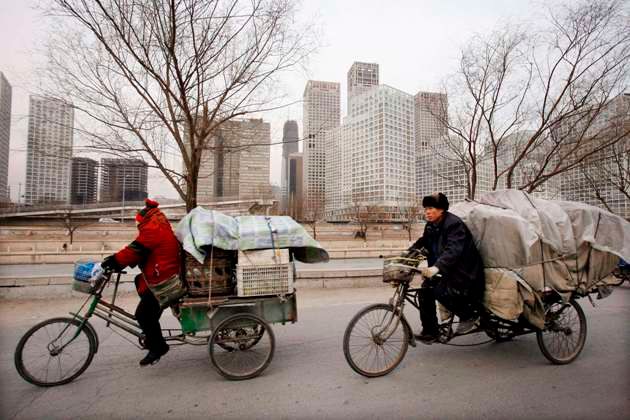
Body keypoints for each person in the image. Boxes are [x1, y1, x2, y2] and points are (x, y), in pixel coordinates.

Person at [101, 198, 181, 366]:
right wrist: (119, 261)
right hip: (160, 274)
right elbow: (140, 250)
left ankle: (158, 347)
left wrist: (114, 261)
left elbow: (135, 250)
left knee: (142, 314)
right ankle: (152, 329)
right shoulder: (158, 227)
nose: (137, 225)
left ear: (143, 219)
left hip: (165, 281)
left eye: (137, 222)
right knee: (139, 283)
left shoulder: (153, 230)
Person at [408, 192, 485, 343]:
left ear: (441, 209)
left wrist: (436, 268)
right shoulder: (431, 225)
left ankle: (470, 315)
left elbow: (453, 250)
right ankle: (430, 331)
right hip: (447, 270)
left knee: (439, 290)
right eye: (426, 209)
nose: (427, 212)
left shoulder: (453, 224)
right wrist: (407, 255)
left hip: (464, 272)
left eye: (431, 208)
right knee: (424, 292)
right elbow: (423, 242)